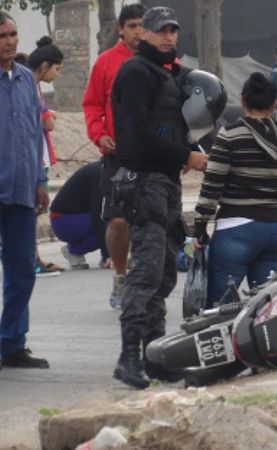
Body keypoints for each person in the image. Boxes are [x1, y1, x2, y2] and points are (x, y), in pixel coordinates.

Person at [109, 5, 209, 389]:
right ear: (143, 34)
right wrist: (185, 156)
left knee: (165, 273)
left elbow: (174, 124)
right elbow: (138, 135)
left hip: (164, 184)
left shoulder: (166, 73)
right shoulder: (136, 72)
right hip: (143, 183)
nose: (168, 36)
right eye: (161, 30)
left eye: (173, 30)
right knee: (146, 272)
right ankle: (129, 357)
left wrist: (186, 151)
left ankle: (154, 357)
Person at [193, 72, 277, 307]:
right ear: (274, 104)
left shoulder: (230, 135)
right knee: (268, 310)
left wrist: (199, 227)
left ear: (243, 101)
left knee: (216, 310)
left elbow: (212, 185)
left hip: (236, 230)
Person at [83, 3, 147, 308]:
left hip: (155, 157)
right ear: (121, 29)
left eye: (143, 25)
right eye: (132, 25)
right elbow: (92, 105)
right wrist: (99, 134)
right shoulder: (105, 63)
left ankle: (147, 281)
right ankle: (121, 276)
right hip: (117, 156)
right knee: (119, 222)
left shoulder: (165, 62)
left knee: (154, 222)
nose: (138, 32)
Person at [0, 11, 51, 369]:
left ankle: (12, 343)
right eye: (2, 36)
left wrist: (40, 181)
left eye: (13, 34)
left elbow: (35, 135)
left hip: (21, 192)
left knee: (21, 272)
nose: (10, 41)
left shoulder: (24, 80)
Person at [27, 35, 65, 277]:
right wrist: (51, 115)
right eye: (57, 69)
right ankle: (32, 260)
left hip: (35, 156)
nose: (57, 74)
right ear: (45, 66)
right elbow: (47, 123)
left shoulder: (32, 86)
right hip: (34, 158)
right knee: (31, 211)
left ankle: (34, 258)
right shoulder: (31, 87)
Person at [49, 161, 109, 270]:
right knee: (115, 224)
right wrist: (108, 256)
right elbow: (99, 216)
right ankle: (73, 250)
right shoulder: (102, 172)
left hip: (80, 217)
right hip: (63, 220)